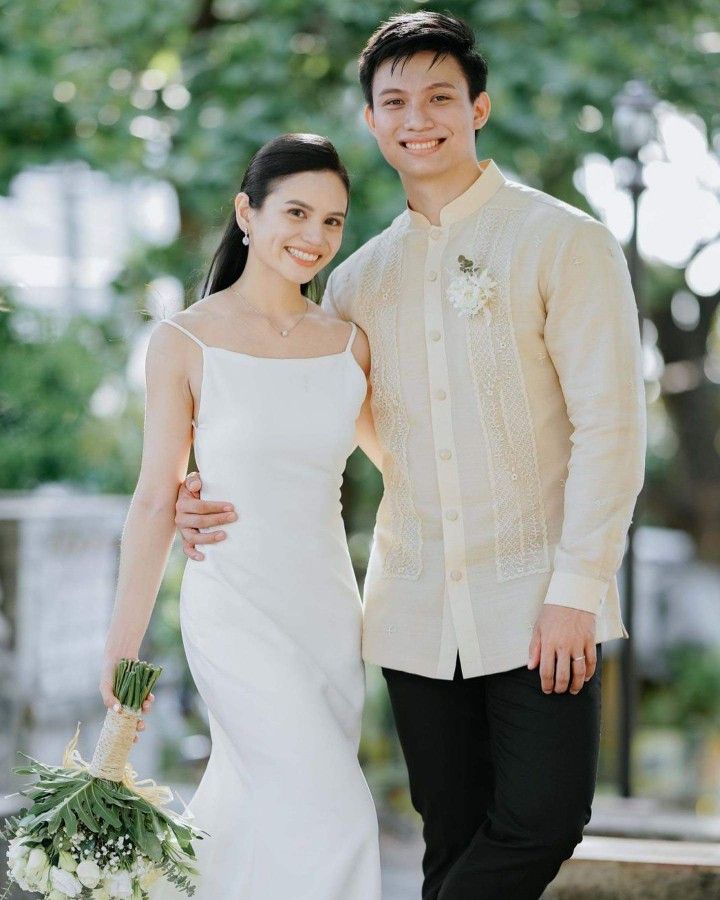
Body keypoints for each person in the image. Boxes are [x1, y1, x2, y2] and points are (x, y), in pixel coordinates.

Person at [175, 12, 647, 900]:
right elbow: (315, 431)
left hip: (538, 599)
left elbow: (612, 432)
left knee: (546, 817)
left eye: (439, 97)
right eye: (394, 100)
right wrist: (199, 489)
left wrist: (576, 591)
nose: (416, 116)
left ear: (480, 108)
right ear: (370, 120)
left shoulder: (565, 242)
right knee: (451, 834)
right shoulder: (354, 280)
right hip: (414, 607)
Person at [100, 133, 382, 900]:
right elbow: (158, 496)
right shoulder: (184, 340)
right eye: (296, 212)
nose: (315, 236)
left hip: (328, 614)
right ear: (246, 214)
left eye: (333, 221)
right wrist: (122, 650)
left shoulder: (350, 345)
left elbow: (410, 470)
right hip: (234, 607)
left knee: (259, 814)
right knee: (337, 817)